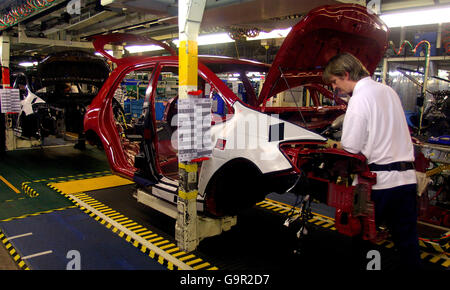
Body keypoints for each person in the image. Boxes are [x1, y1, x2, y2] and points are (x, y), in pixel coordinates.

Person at [322, 53, 421, 270]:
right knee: (407, 242)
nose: (335, 88)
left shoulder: (359, 98)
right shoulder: (388, 91)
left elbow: (351, 147)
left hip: (377, 186)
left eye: (335, 82)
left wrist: (331, 146)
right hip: (406, 181)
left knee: (367, 239)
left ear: (345, 74)